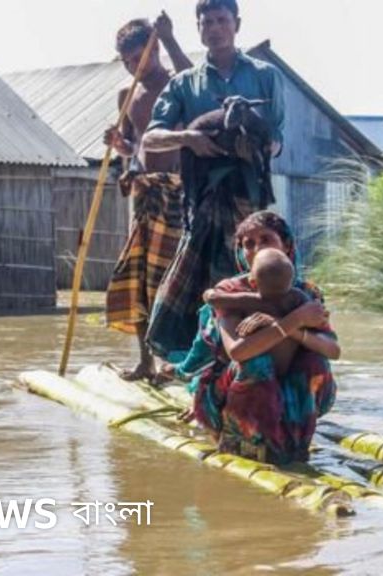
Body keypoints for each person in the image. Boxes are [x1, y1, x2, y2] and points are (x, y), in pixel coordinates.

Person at [141, 0, 286, 359]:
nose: (215, 28)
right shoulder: (184, 83)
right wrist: (188, 138)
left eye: (222, 20)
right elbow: (150, 138)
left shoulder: (265, 75)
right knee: (196, 280)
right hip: (202, 196)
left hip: (249, 197)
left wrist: (252, 146)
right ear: (199, 28)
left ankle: (261, 354)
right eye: (207, 22)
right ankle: (200, 361)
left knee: (254, 272)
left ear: (236, 24)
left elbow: (278, 139)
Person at [189, 211, 339, 464]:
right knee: (257, 363)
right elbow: (238, 352)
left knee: (315, 361)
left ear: (286, 245)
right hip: (236, 389)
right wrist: (292, 321)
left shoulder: (306, 295)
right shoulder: (231, 292)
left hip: (289, 386)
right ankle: (242, 440)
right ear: (240, 251)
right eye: (248, 243)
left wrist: (287, 326)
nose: (257, 249)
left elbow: (332, 349)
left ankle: (294, 442)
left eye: (265, 240)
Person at [103, 13, 193, 381]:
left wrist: (170, 39)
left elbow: (195, 79)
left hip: (178, 190)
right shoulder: (127, 95)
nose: (132, 66)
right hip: (143, 193)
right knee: (138, 277)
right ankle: (146, 361)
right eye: (125, 60)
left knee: (172, 278)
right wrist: (118, 145)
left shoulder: (179, 84)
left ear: (154, 50)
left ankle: (176, 362)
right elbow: (132, 146)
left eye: (138, 57)